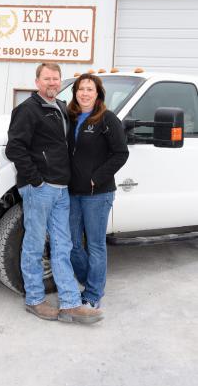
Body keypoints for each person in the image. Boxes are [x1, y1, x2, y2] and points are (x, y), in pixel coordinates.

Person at [5, 63, 103, 324]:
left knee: (63, 246)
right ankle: (35, 299)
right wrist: (36, 180)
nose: (52, 83)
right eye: (47, 79)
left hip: (61, 189)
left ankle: (70, 303)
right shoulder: (27, 110)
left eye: (55, 79)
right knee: (34, 244)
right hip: (40, 188)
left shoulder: (60, 107)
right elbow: (15, 148)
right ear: (37, 82)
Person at [67, 73, 129, 310]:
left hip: (98, 193)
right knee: (72, 243)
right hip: (72, 192)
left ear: (98, 94)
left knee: (95, 245)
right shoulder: (70, 118)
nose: (84, 93)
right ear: (75, 92)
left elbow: (121, 153)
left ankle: (93, 294)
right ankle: (88, 279)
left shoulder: (107, 119)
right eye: (81, 89)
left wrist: (97, 177)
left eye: (89, 89)